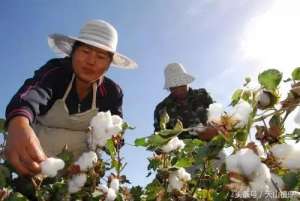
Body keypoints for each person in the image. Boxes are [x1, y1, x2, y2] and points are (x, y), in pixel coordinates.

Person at [4, 19, 137, 176]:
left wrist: (111, 144)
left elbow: (115, 136)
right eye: (85, 52)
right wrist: (19, 125)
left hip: (79, 176)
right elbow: (32, 94)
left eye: (101, 57)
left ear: (109, 64)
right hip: (34, 164)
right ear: (73, 52)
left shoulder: (111, 93)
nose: (91, 61)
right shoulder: (56, 72)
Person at [154, 63, 218, 140]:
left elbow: (218, 116)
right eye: (174, 87)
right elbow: (160, 137)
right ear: (169, 88)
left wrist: (214, 129)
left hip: (213, 145)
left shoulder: (202, 95)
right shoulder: (162, 109)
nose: (178, 90)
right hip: (183, 150)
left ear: (187, 82)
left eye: (181, 85)